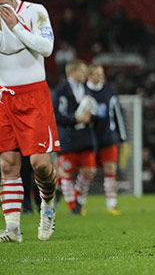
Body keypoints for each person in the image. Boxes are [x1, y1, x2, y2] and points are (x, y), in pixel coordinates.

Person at [0, 0, 59, 243]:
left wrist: (15, 26)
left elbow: (46, 48)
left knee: (40, 165)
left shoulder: (36, 12)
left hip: (34, 96)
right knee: (8, 164)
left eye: (2, 5)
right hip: (5, 97)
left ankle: (48, 205)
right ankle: (12, 229)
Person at [53, 60, 97, 216]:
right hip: (68, 138)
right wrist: (75, 119)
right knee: (66, 173)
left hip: (85, 137)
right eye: (82, 70)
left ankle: (76, 196)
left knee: (90, 170)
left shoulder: (86, 90)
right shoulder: (60, 92)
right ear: (73, 72)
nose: (85, 74)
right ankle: (73, 206)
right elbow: (56, 116)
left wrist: (91, 116)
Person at [85, 63, 128, 215]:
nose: (100, 76)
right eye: (97, 74)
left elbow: (118, 115)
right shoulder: (83, 91)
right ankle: (79, 203)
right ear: (89, 76)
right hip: (88, 137)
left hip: (107, 136)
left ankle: (111, 205)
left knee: (111, 170)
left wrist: (123, 138)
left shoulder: (110, 91)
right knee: (87, 172)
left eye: (101, 73)